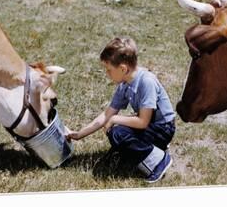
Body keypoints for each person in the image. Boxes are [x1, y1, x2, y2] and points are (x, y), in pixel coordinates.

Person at [66, 37, 176, 183]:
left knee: (118, 132)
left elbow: (143, 122)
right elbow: (107, 114)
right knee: (115, 132)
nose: (107, 73)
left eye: (109, 70)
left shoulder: (146, 81)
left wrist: (115, 119)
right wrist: (79, 134)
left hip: (163, 128)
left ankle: (159, 162)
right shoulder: (125, 83)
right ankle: (151, 148)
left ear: (123, 68)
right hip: (150, 125)